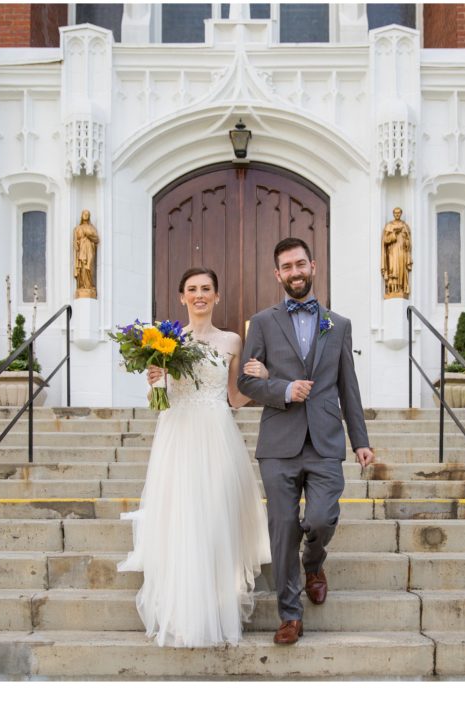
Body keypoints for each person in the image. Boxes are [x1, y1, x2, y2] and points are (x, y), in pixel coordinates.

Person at [117, 267, 272, 648]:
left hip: (218, 433)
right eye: (192, 289)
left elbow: (235, 398)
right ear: (181, 297)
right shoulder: (164, 340)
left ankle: (218, 606)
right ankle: (185, 612)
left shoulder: (234, 340)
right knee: (182, 516)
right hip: (178, 433)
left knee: (216, 515)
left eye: (206, 289)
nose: (199, 295)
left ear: (217, 296)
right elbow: (161, 401)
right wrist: (155, 380)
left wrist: (262, 379)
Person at [237, 237, 374, 645]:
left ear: (313, 267)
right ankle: (290, 615)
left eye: (301, 264)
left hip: (326, 440)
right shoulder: (262, 322)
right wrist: (281, 389)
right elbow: (244, 383)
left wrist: (359, 440)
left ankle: (314, 562)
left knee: (319, 519)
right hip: (279, 442)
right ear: (277, 274)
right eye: (286, 267)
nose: (295, 272)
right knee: (282, 528)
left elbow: (348, 386)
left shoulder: (339, 324)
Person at [380, 207, 412, 299]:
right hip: (392, 252)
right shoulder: (389, 225)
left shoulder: (404, 226)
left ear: (401, 214)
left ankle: (401, 288)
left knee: (401, 269)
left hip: (402, 251)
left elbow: (408, 240)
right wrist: (394, 234)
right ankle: (392, 290)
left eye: (398, 213)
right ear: (393, 214)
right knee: (393, 269)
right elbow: (385, 240)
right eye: (395, 213)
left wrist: (406, 242)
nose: (397, 215)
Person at [74, 209, 99, 298]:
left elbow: (97, 239)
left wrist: (89, 236)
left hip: (90, 250)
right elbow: (75, 241)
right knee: (83, 268)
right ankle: (82, 286)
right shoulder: (78, 228)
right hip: (82, 251)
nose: (86, 215)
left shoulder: (92, 228)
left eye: (87, 214)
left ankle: (90, 286)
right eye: (84, 213)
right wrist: (77, 244)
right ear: (82, 215)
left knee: (89, 267)